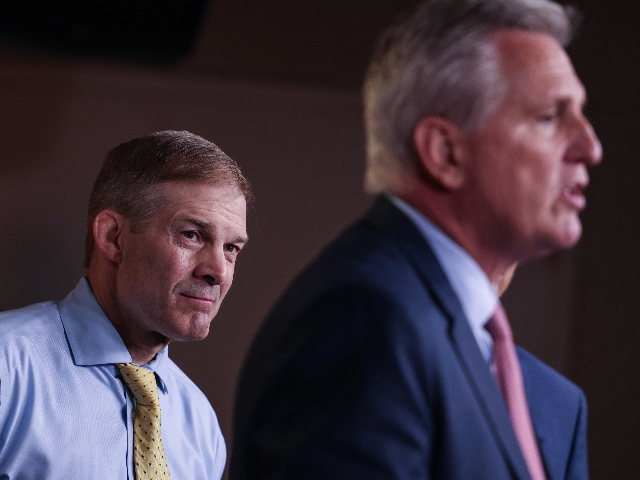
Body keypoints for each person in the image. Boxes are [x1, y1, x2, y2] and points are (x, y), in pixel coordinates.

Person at [231, 0, 602, 478]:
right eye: (551, 116)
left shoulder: (433, 327)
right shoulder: (362, 319)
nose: (590, 146)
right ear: (445, 152)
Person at [0, 131, 252, 479]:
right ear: (112, 237)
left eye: (231, 248)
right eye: (191, 235)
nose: (218, 272)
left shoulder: (201, 426)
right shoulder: (7, 368)